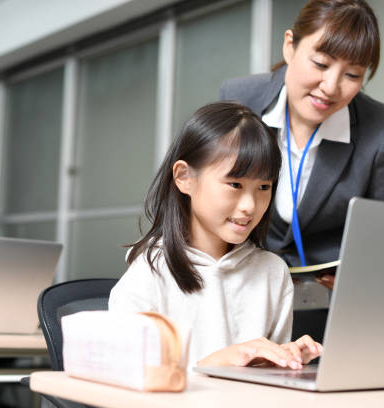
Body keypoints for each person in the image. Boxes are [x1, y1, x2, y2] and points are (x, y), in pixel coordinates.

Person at [219, 0, 384, 340]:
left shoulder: (382, 130)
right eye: (321, 64)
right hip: (240, 294)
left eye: (352, 75)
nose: (331, 87)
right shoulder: (238, 99)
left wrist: (366, 274)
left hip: (334, 311)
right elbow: (209, 197)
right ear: (290, 45)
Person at [109, 102, 322, 369]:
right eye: (235, 184)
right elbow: (126, 382)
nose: (250, 205)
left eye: (264, 186)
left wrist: (281, 362)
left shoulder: (273, 272)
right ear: (184, 177)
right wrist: (214, 364)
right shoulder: (150, 271)